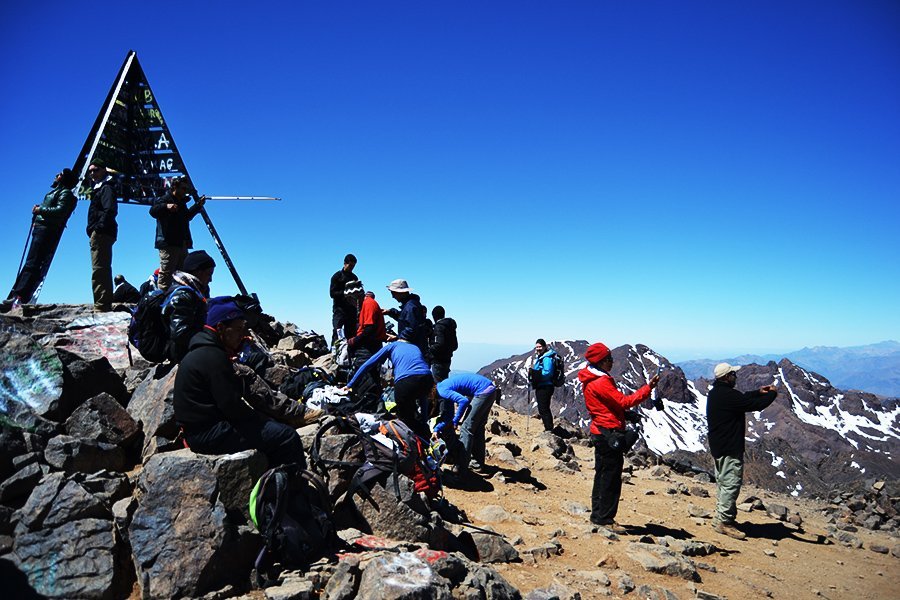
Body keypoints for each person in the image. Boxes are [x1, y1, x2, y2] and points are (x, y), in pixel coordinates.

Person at [174, 297, 305, 467]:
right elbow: (232, 407)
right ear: (221, 328)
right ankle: (294, 487)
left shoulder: (202, 351)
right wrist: (264, 422)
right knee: (286, 436)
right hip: (208, 434)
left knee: (271, 429)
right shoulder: (214, 357)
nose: (242, 335)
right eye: (237, 329)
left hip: (199, 430)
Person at [578, 342, 659, 532]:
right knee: (611, 478)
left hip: (600, 432)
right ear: (600, 361)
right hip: (608, 435)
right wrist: (648, 388)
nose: (612, 362)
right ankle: (605, 519)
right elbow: (625, 401)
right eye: (608, 359)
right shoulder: (601, 381)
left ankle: (598, 514)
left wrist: (624, 416)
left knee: (602, 475)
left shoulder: (591, 378)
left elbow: (606, 406)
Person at [707, 362, 778, 540]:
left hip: (719, 447)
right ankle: (725, 522)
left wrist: (757, 391)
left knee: (724, 484)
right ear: (726, 377)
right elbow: (754, 405)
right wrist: (772, 394)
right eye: (733, 374)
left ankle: (720, 519)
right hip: (730, 448)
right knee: (730, 485)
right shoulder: (727, 395)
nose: (735, 377)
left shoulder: (717, 393)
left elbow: (743, 398)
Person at [2, 168, 77, 310]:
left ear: (64, 179)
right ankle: (16, 294)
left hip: (46, 230)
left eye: (59, 174)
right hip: (41, 228)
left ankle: (19, 297)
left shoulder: (65, 193)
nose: (56, 175)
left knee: (33, 262)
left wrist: (40, 210)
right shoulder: (58, 191)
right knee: (31, 261)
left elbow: (60, 211)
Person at [344, 340, 433, 439]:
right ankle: (428, 439)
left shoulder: (392, 346)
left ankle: (412, 446)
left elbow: (367, 364)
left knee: (404, 420)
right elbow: (423, 396)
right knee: (417, 412)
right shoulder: (414, 347)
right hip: (427, 378)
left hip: (406, 380)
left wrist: (350, 384)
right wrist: (425, 420)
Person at [149, 177, 206, 290]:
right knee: (167, 272)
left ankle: (180, 297)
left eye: (187, 189)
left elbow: (187, 216)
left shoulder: (181, 203)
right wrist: (166, 206)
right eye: (184, 188)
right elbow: (153, 211)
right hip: (168, 242)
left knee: (182, 273)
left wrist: (198, 205)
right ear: (175, 187)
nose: (185, 192)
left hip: (181, 242)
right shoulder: (165, 199)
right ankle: (161, 300)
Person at [433, 373, 498, 472]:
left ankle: (460, 467)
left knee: (466, 428)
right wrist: (437, 429)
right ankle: (477, 464)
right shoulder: (442, 386)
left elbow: (463, 401)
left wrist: (455, 421)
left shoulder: (442, 391)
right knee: (478, 429)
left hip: (483, 392)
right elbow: (449, 415)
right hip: (490, 390)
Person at [164, 250, 216, 363]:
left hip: (189, 348)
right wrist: (212, 339)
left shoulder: (193, 290)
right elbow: (180, 333)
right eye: (209, 274)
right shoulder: (182, 295)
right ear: (198, 271)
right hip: (181, 352)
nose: (211, 279)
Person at [85, 160, 118, 312]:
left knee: (100, 268)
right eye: (90, 171)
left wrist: (97, 228)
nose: (92, 173)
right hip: (101, 232)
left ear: (104, 170)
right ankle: (102, 303)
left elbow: (109, 210)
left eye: (95, 170)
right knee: (100, 267)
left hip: (102, 233)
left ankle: (102, 305)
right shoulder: (100, 188)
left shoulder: (106, 188)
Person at [384, 279, 429, 357]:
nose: (393, 296)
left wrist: (397, 338)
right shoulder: (411, 305)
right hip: (416, 348)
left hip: (413, 351)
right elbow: (404, 318)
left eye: (393, 293)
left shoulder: (410, 307)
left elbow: (412, 329)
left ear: (400, 293)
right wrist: (389, 312)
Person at [529, 339, 558, 432]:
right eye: (537, 347)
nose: (538, 348)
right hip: (542, 385)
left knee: (543, 408)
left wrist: (536, 376)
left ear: (545, 347)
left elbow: (548, 372)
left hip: (545, 386)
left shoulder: (546, 358)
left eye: (540, 346)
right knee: (544, 408)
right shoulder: (542, 356)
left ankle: (549, 429)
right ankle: (549, 428)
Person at [329, 254, 359, 342]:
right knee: (337, 330)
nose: (352, 268)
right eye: (350, 265)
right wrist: (345, 293)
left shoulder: (354, 277)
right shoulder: (337, 276)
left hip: (351, 309)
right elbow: (332, 293)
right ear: (345, 263)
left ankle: (350, 353)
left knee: (351, 333)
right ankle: (334, 352)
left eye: (353, 266)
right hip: (339, 309)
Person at [428, 306, 458, 382]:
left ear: (434, 316)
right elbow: (455, 346)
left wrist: (429, 350)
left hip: (438, 361)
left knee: (438, 385)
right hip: (447, 360)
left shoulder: (439, 327)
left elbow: (439, 344)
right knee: (444, 382)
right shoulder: (450, 327)